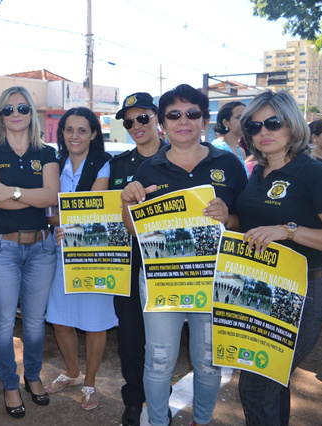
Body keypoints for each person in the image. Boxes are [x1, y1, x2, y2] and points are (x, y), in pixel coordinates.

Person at [121, 84, 248, 426]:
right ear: (162, 124)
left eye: (192, 113)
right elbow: (134, 229)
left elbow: (245, 224)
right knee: (159, 360)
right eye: (174, 114)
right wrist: (127, 201)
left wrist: (229, 218)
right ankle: (159, 422)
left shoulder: (230, 165)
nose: (183, 120)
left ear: (204, 120)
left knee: (208, 362)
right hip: (162, 283)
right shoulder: (149, 169)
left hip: (215, 280)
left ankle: (201, 421)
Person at [237, 90, 322, 426]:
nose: (263, 131)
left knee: (256, 384)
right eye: (254, 125)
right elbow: (246, 225)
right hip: (259, 289)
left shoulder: (315, 173)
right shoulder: (256, 173)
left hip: (302, 292)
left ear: (291, 124)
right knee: (273, 381)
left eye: (272, 122)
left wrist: (287, 231)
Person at [0, 86, 59, 419]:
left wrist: (11, 191)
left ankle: (33, 376)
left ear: (32, 114)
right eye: (8, 110)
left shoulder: (48, 152)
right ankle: (10, 384)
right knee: (3, 323)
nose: (15, 115)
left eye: (22, 108)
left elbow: (52, 197)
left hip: (41, 247)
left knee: (36, 324)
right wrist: (31, 195)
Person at [45, 107, 115, 411]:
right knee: (60, 319)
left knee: (95, 322)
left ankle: (90, 381)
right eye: (69, 130)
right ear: (62, 134)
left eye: (82, 130)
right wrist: (56, 219)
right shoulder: (54, 162)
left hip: (93, 254)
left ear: (94, 134)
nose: (75, 136)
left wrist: (61, 218)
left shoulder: (104, 163)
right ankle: (72, 373)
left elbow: (94, 207)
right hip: (57, 250)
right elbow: (48, 209)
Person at [109, 92, 166, 426]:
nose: (136, 126)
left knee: (164, 344)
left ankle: (160, 401)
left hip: (167, 269)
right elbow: (97, 211)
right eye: (128, 121)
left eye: (142, 118)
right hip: (127, 268)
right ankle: (134, 400)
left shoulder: (176, 162)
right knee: (130, 340)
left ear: (157, 117)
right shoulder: (117, 166)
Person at [212, 101, 249, 175]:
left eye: (246, 117)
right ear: (225, 122)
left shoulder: (240, 151)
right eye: (238, 117)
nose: (244, 121)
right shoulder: (218, 148)